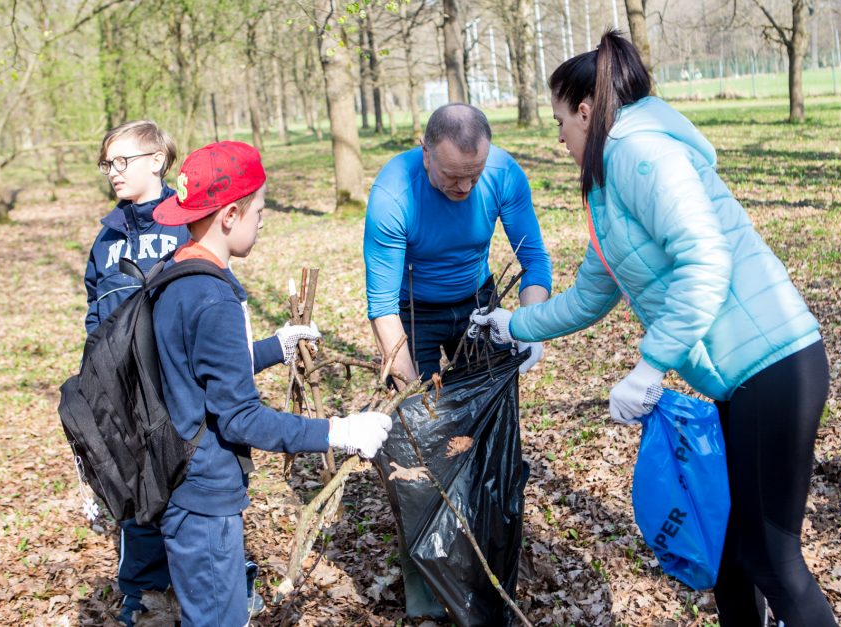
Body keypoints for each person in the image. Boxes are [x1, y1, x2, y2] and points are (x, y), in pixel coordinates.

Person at [471, 31, 837, 627]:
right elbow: (593, 292)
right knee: (732, 555)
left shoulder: (641, 154)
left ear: (586, 111)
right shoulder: (610, 186)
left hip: (775, 368)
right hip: (743, 380)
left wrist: (649, 366)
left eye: (561, 120)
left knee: (773, 558)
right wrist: (515, 323)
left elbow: (705, 260)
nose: (558, 137)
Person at [150, 141, 393, 626]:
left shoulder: (178, 273)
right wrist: (338, 432)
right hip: (204, 499)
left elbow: (198, 368)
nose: (263, 220)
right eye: (260, 210)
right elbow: (240, 418)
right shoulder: (213, 296)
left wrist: (270, 348)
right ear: (231, 215)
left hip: (180, 486)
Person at [84, 120, 191, 625]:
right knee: (137, 497)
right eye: (108, 163)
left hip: (177, 392)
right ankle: (144, 603)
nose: (113, 172)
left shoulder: (187, 226)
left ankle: (202, 594)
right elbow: (94, 307)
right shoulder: (106, 237)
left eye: (122, 161)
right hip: (122, 397)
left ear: (157, 161)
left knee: (187, 495)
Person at [363, 103, 553, 387]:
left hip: (479, 304)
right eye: (452, 175)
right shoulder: (393, 195)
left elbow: (533, 258)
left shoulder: (503, 173)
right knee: (417, 414)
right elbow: (382, 307)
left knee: (490, 407)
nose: (465, 186)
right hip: (413, 314)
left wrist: (529, 328)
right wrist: (411, 395)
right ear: (426, 154)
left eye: (474, 174)